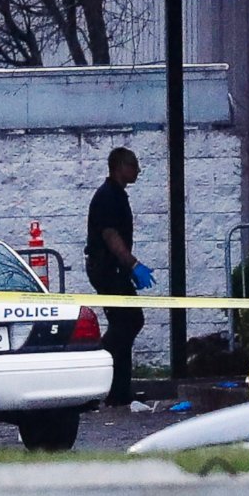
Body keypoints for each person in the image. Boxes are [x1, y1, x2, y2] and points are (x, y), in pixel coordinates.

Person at [84, 146, 146, 404]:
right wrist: (132, 265)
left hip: (113, 269)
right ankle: (101, 375)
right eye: (133, 165)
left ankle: (118, 389)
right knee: (127, 322)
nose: (138, 170)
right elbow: (111, 236)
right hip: (106, 269)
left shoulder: (116, 195)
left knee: (128, 322)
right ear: (119, 166)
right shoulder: (108, 196)